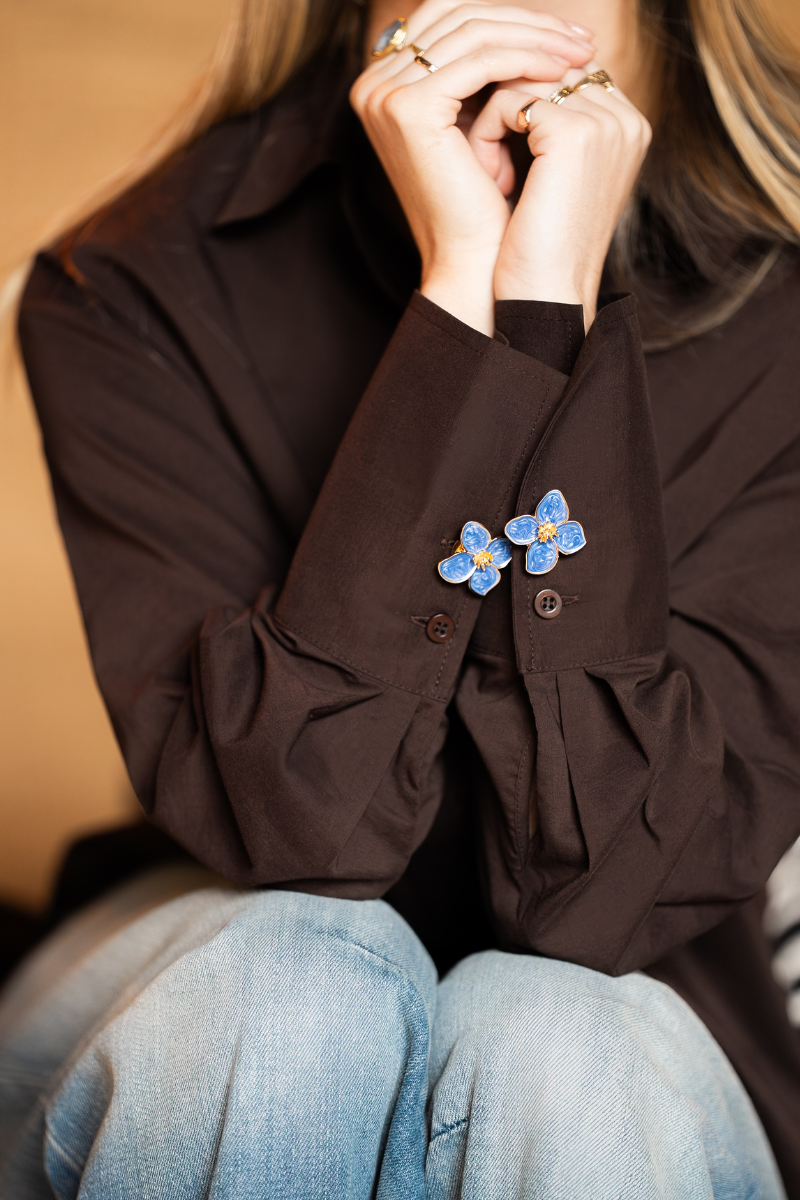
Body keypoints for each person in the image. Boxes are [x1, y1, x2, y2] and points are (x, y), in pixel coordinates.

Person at [2, 0, 800, 1193]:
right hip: (216, 961)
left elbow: (598, 897)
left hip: (644, 1023)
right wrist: (462, 301)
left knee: (555, 1035)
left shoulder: (784, 317)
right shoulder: (134, 276)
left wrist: (547, 300)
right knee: (293, 978)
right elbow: (296, 834)